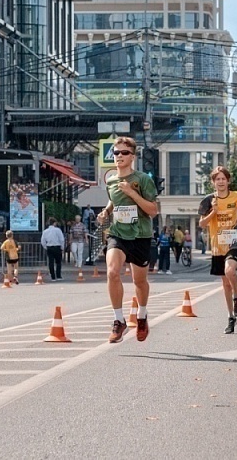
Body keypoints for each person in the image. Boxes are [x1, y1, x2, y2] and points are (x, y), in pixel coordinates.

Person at [97, 136, 158, 343]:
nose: (119, 156)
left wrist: (132, 192)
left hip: (140, 235)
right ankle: (118, 320)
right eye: (116, 153)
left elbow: (153, 210)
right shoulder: (111, 180)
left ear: (133, 156)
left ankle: (141, 316)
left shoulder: (142, 179)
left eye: (124, 153)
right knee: (112, 272)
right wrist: (106, 211)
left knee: (139, 281)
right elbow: (114, 200)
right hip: (118, 233)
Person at [198, 166, 237, 334]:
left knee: (230, 270)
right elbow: (201, 224)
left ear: (228, 181)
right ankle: (230, 317)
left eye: (223, 179)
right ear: (213, 182)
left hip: (233, 240)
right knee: (225, 283)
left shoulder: (236, 196)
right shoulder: (208, 200)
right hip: (216, 244)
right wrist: (213, 212)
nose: (221, 182)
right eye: (217, 179)